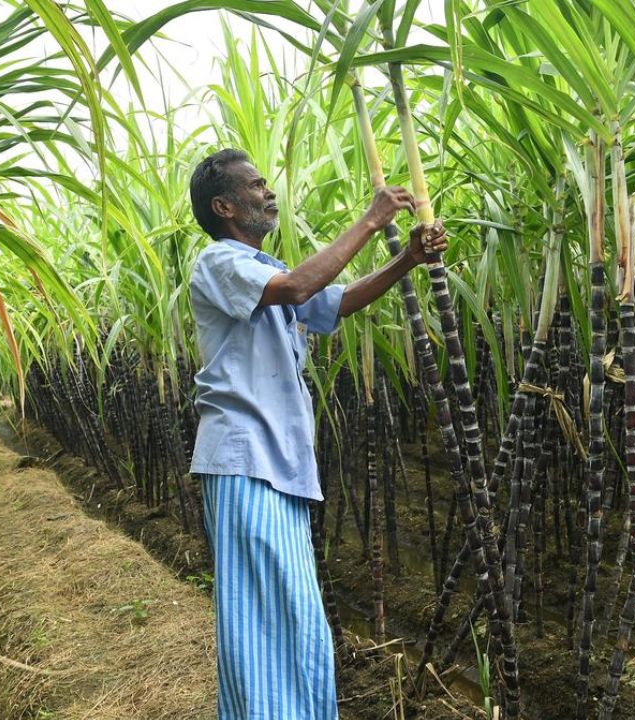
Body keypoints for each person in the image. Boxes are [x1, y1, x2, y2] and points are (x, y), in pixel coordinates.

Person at [187, 147, 446, 719]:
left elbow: (337, 301)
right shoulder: (219, 262)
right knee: (262, 623)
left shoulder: (262, 270)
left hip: (277, 466)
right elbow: (300, 288)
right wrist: (371, 220)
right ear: (224, 206)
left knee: (297, 621)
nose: (268, 192)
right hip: (245, 461)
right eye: (256, 185)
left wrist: (407, 259)